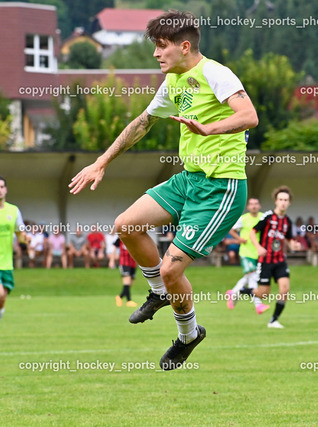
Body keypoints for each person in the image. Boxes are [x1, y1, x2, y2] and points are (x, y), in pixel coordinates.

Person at [68, 10, 258, 370]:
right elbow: (142, 123)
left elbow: (249, 116)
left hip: (221, 188)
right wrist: (101, 162)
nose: (156, 54)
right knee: (127, 224)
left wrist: (208, 129)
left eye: (161, 46)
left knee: (173, 271)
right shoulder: (173, 81)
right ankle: (158, 293)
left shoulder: (215, 73)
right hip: (188, 179)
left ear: (184, 46)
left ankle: (188, 335)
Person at [241, 186, 295, 328]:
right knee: (263, 294)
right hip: (266, 261)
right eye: (281, 199)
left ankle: (273, 321)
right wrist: (259, 248)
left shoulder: (287, 221)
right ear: (276, 201)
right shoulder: (268, 217)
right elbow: (253, 232)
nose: (283, 202)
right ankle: (239, 291)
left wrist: (294, 245)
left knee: (284, 290)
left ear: (289, 203)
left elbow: (289, 239)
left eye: (286, 200)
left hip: (280, 261)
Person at [225, 197, 270, 314]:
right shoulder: (243, 218)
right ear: (248, 207)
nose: (254, 206)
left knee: (250, 277)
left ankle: (233, 292)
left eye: (256, 203)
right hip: (246, 253)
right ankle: (258, 305)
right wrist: (239, 239)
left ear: (259, 206)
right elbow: (231, 229)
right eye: (251, 204)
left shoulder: (263, 217)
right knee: (253, 277)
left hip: (258, 253)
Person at [0, 176, 29, 324]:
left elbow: (20, 234)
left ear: (6, 189)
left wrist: (26, 239)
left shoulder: (14, 210)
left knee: (2, 298)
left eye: (1, 187)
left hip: (6, 263)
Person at [115, 239, 138, 308]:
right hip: (124, 263)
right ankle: (129, 301)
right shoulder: (120, 238)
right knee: (126, 282)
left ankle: (120, 296)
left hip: (133, 263)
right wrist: (112, 260)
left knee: (129, 284)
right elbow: (114, 247)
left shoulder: (135, 238)